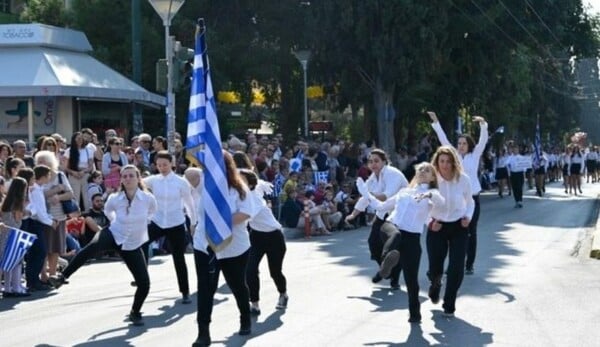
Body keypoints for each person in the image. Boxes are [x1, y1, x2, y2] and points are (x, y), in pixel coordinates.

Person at [49, 165, 157, 326]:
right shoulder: (115, 197)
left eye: (131, 176)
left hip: (132, 242)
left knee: (144, 283)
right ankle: (62, 276)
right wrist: (117, 221)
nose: (127, 179)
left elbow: (151, 213)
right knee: (92, 247)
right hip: (114, 233)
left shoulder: (148, 198)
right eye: (124, 176)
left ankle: (135, 312)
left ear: (138, 177)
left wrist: (138, 224)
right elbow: (108, 211)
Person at [355, 162, 444, 323]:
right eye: (420, 170)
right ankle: (385, 265)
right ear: (415, 174)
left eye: (427, 170)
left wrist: (429, 196)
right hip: (390, 227)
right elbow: (381, 205)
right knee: (395, 235)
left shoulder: (432, 194)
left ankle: (415, 314)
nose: (423, 172)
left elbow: (440, 203)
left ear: (433, 177)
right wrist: (365, 193)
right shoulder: (404, 192)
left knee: (411, 280)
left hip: (412, 237)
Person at [192, 151, 255, 346]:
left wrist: (221, 222)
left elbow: (246, 213)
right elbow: (189, 174)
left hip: (233, 246)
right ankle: (203, 332)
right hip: (205, 244)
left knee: (237, 284)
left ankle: (245, 318)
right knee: (205, 288)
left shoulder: (238, 187)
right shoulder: (204, 182)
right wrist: (202, 156)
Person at [427, 111, 488, 275]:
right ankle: (453, 264)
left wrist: (483, 125)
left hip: (471, 198)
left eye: (464, 143)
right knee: (453, 232)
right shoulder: (453, 157)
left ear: (469, 145)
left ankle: (469, 264)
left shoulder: (474, 156)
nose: (460, 146)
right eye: (459, 143)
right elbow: (443, 140)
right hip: (455, 199)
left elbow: (483, 141)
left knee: (470, 230)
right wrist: (436, 122)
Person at [345, 148, 408, 289]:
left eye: (376, 161)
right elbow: (364, 198)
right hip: (383, 213)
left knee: (393, 246)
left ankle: (394, 279)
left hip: (399, 214)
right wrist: (353, 215)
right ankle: (387, 269)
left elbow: (386, 195)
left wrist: (368, 194)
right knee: (373, 242)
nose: (373, 164)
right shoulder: (372, 178)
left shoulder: (393, 174)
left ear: (384, 162)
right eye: (370, 161)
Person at [139, 151, 196, 304]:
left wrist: (192, 223)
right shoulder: (153, 180)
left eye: (165, 165)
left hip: (176, 222)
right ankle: (141, 276)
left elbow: (189, 203)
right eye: (159, 165)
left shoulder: (181, 182)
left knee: (178, 257)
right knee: (141, 242)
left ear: (172, 164)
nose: (162, 168)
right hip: (157, 221)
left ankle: (185, 291)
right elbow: (138, 182)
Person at [426, 146, 474, 317]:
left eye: (448, 161)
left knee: (456, 267)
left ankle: (449, 303)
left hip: (458, 226)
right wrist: (430, 223)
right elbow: (421, 205)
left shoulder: (463, 180)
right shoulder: (430, 180)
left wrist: (468, 216)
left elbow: (470, 202)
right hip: (437, 226)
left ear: (454, 162)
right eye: (442, 161)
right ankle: (435, 282)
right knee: (435, 268)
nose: (445, 165)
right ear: (436, 163)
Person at [238, 168, 289, 317]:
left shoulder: (254, 199)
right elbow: (259, 183)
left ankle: (283, 293)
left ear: (250, 184)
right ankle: (254, 304)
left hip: (274, 237)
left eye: (242, 180)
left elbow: (246, 216)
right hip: (256, 237)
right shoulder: (244, 194)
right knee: (250, 269)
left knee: (275, 272)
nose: (238, 182)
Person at [0, 176, 31, 297]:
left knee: (7, 261)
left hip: (4, 234)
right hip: (15, 234)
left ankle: (8, 288)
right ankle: (16, 287)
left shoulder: (6, 202)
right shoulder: (18, 203)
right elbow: (18, 219)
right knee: (17, 262)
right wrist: (26, 212)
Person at [63, 132, 95, 212]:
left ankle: (88, 214)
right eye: (78, 138)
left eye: (81, 138)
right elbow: (65, 167)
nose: (80, 140)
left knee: (86, 197)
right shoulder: (69, 151)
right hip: (73, 175)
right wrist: (73, 173)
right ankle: (75, 216)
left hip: (85, 175)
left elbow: (90, 166)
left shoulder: (88, 150)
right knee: (75, 197)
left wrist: (83, 172)